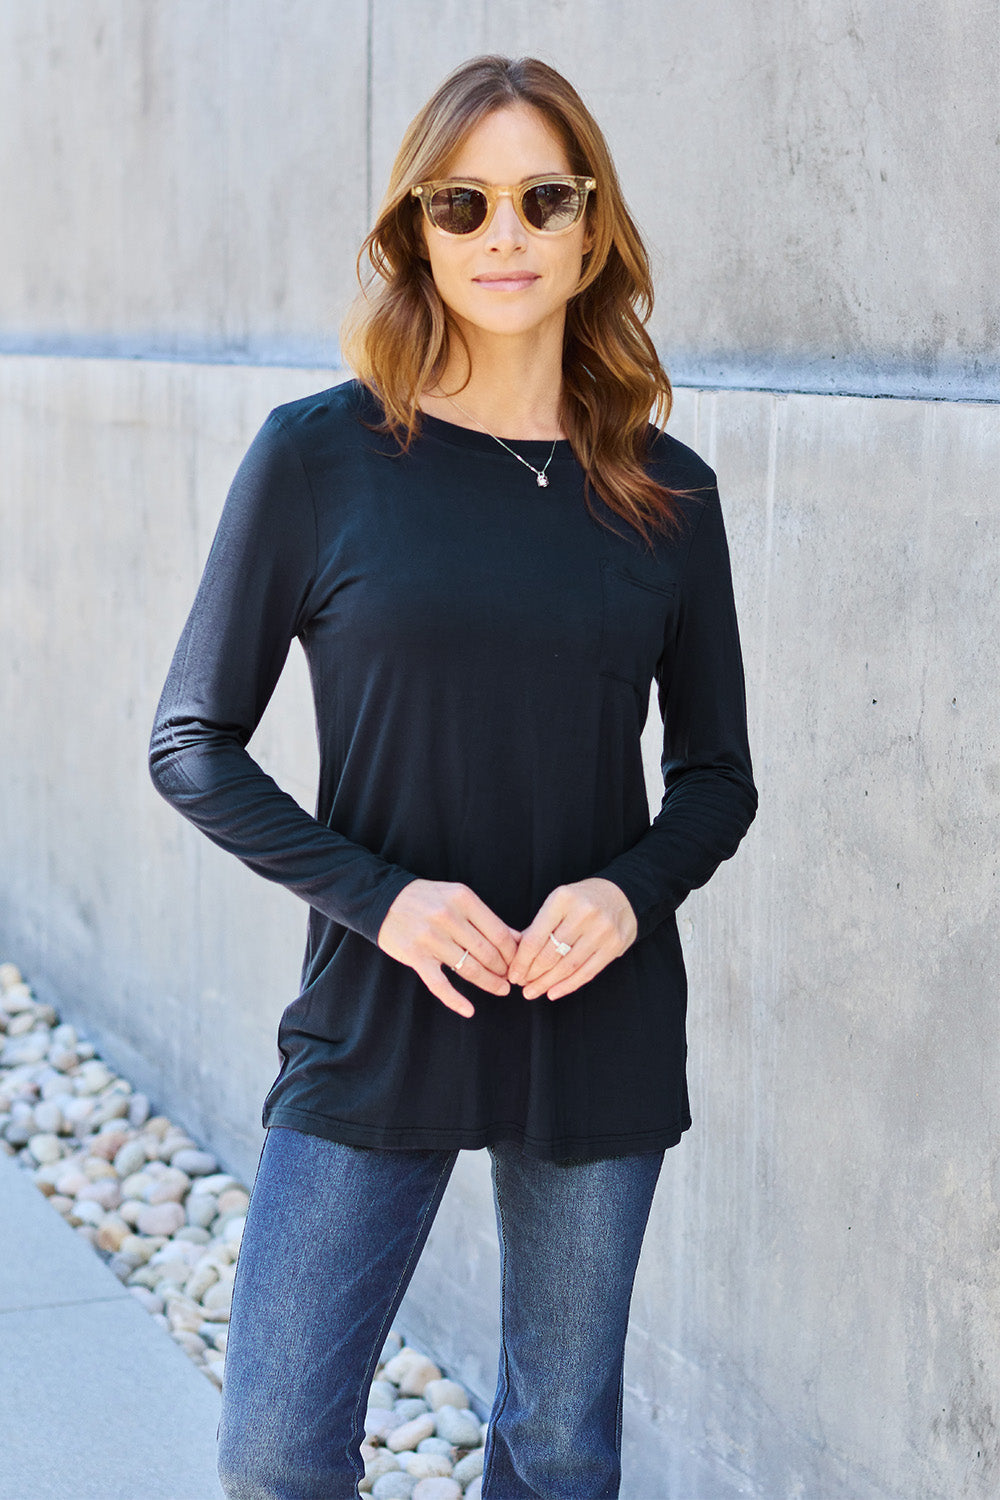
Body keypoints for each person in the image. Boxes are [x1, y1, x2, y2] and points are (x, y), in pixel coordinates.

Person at [149, 53, 757, 1500]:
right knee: (277, 1449)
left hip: (591, 1010)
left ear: (592, 225)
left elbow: (717, 775)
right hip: (378, 1005)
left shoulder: (668, 494)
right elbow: (191, 741)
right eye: (462, 201)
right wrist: (387, 902)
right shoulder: (323, 457)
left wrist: (628, 893)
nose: (505, 234)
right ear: (413, 230)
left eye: (543, 197)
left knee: (557, 1448)